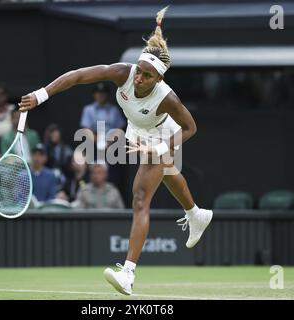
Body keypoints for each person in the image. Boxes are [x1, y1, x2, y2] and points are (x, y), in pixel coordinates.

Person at [18, 7, 212, 295]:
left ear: (159, 79)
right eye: (139, 72)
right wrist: (41, 94)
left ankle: (128, 274)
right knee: (169, 172)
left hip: (160, 133)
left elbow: (190, 128)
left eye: (147, 76)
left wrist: (157, 147)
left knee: (140, 196)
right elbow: (78, 75)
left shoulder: (168, 98)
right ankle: (196, 214)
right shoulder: (124, 73)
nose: (139, 78)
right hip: (136, 126)